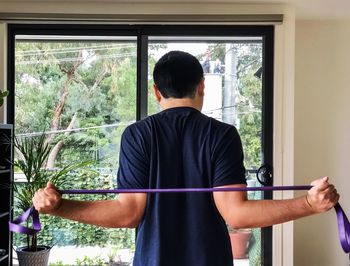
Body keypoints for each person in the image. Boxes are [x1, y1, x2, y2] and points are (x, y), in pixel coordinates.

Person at [33, 50, 339, 266]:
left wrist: (59, 206)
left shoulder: (137, 135)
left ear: (156, 92)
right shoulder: (222, 134)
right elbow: (236, 214)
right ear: (201, 85)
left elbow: (127, 213)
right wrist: (309, 204)